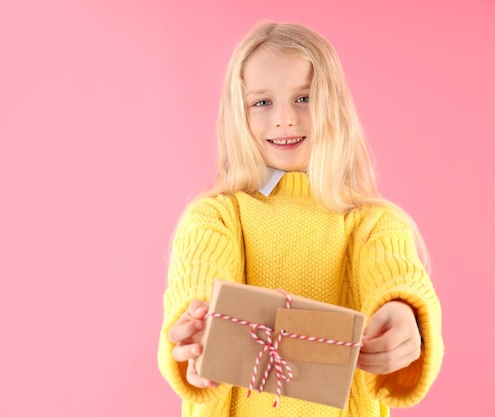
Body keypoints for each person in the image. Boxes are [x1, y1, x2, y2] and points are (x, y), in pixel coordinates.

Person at [157, 21, 444, 417]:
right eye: (262, 103)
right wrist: (195, 325)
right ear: (238, 116)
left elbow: (393, 275)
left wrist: (403, 315)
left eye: (304, 98)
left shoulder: (371, 223)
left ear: (334, 106)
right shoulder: (217, 216)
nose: (285, 118)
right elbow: (200, 274)